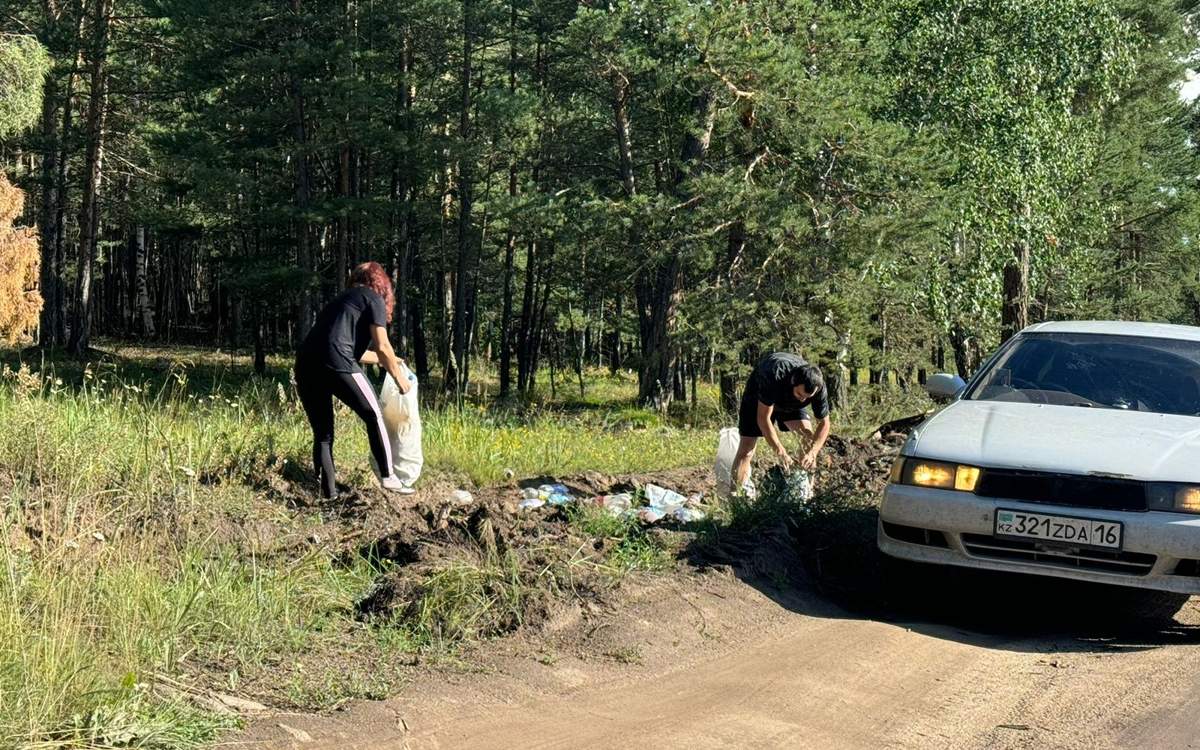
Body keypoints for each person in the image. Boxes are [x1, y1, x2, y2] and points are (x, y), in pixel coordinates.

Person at [294, 261, 413, 498]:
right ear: (381, 284)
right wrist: (400, 379)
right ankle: (389, 477)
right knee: (374, 413)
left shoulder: (343, 302)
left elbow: (359, 352)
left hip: (306, 363)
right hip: (335, 358)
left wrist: (389, 360)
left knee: (323, 434)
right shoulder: (373, 298)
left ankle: (328, 495)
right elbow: (382, 345)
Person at [732, 352, 832, 491]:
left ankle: (806, 495)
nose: (803, 400)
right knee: (747, 450)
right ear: (793, 382)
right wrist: (781, 452)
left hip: (789, 403)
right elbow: (763, 419)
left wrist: (813, 452)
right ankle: (735, 497)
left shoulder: (818, 387)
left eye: (807, 397)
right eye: (800, 394)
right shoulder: (773, 374)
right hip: (759, 398)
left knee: (808, 441)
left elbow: (824, 423)